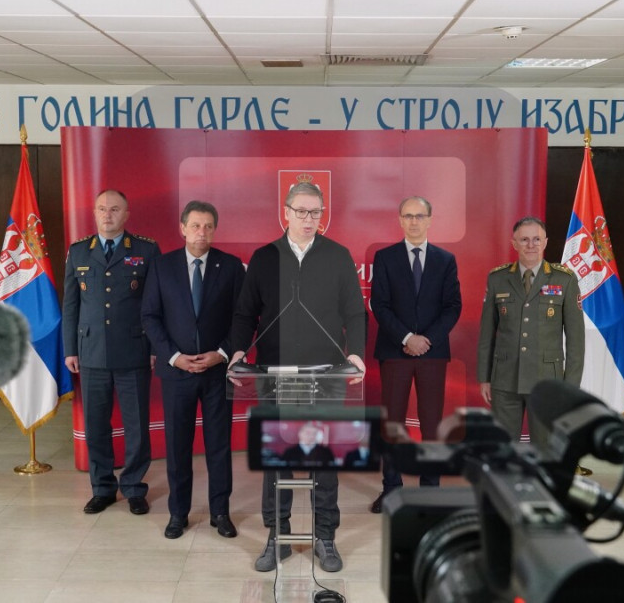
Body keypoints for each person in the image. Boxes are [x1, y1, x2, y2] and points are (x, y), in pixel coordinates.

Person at [229, 181, 366, 573]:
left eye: (315, 212)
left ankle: (325, 536)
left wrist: (355, 352)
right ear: (285, 212)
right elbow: (245, 313)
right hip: (275, 373)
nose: (309, 219)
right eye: (302, 211)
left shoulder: (337, 255)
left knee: (324, 457)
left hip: (326, 373)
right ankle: (278, 535)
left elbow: (355, 311)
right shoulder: (264, 258)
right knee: (278, 457)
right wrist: (238, 351)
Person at [140, 201, 244, 539]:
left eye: (208, 226)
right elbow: (150, 316)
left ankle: (220, 512)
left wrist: (222, 353)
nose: (202, 232)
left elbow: (243, 318)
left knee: (219, 446)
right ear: (182, 228)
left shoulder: (230, 267)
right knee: (177, 447)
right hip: (177, 372)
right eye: (196, 225)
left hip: (217, 372)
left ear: (215, 230)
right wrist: (174, 357)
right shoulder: (162, 266)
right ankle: (178, 513)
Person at [62, 189, 160, 516]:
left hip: (134, 350)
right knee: (96, 426)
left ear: (126, 214)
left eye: (115, 209)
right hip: (90, 352)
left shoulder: (146, 250)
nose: (108, 215)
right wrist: (70, 349)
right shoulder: (78, 251)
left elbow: (155, 303)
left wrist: (154, 346)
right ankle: (102, 488)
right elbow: (71, 304)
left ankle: (133, 488)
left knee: (136, 426)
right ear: (94, 213)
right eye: (102, 209)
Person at [369, 196, 462, 514]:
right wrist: (407, 338)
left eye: (419, 216)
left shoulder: (445, 259)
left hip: (432, 354)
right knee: (392, 422)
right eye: (408, 216)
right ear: (400, 220)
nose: (413, 221)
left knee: (432, 423)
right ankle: (391, 488)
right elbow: (379, 304)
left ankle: (430, 489)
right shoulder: (384, 257)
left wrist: (427, 340)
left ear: (430, 220)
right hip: (395, 350)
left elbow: (453, 306)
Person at [477, 216, 584, 444]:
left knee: (545, 447)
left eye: (536, 239)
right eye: (524, 240)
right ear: (514, 243)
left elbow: (576, 339)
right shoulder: (497, 278)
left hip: (547, 382)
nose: (531, 245)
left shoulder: (564, 279)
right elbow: (486, 333)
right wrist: (484, 377)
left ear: (545, 242)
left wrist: (570, 387)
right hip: (505, 380)